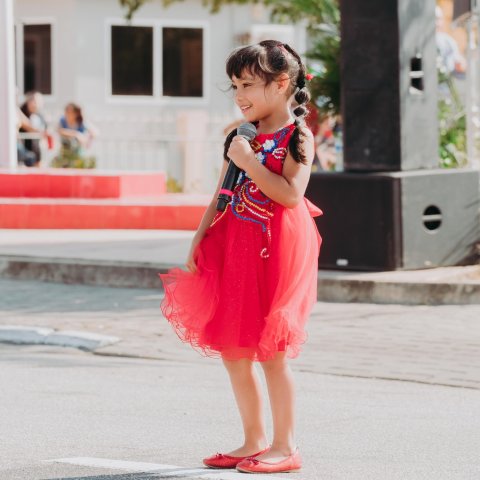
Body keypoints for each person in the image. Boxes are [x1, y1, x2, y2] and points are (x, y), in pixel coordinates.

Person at [159, 40, 322, 475]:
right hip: (236, 246)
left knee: (272, 352)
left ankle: (285, 445)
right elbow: (222, 191)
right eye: (235, 86)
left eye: (248, 84)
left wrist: (250, 162)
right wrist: (199, 235)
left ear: (282, 83)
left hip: (277, 251)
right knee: (235, 350)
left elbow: (290, 194)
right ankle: (253, 439)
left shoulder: (297, 135)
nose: (240, 95)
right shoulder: (239, 135)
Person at [53, 103, 96, 168]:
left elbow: (94, 132)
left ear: (76, 113)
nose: (67, 114)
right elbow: (59, 130)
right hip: (65, 151)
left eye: (70, 112)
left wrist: (87, 141)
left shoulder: (81, 122)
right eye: (66, 111)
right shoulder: (62, 120)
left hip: (77, 152)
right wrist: (76, 134)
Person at [19, 91, 48, 166]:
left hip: (37, 151)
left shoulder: (40, 116)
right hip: (24, 152)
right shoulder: (21, 112)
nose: (36, 104)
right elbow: (27, 126)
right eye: (34, 101)